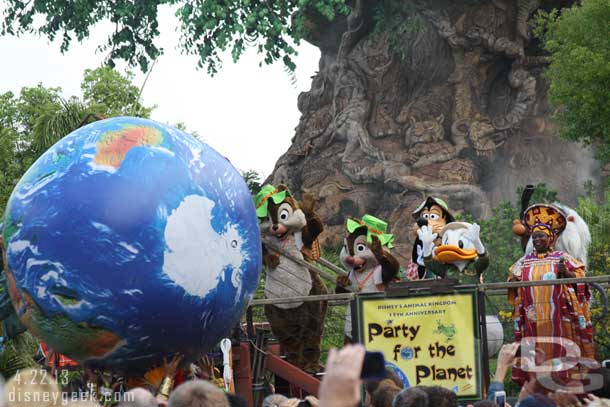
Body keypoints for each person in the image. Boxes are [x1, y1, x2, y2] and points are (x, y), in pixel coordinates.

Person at [508, 203, 595, 386]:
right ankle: (535, 386)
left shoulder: (562, 258)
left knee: (563, 352)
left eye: (541, 236)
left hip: (560, 320)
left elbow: (581, 280)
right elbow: (512, 281)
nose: (537, 239)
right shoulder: (524, 262)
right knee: (535, 353)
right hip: (533, 321)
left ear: (551, 238)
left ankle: (566, 384)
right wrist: (514, 282)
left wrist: (566, 273)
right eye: (534, 236)